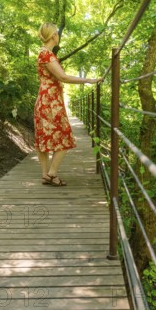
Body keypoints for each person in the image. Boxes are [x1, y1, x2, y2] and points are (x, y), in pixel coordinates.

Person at [34, 22, 102, 187]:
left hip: (45, 99)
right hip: (51, 102)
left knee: (44, 137)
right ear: (53, 36)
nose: (58, 35)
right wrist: (88, 80)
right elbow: (63, 77)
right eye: (57, 33)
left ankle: (46, 175)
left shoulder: (44, 54)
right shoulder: (47, 55)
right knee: (64, 134)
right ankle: (51, 173)